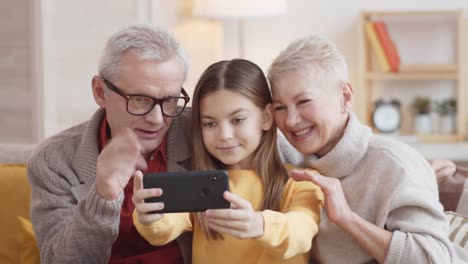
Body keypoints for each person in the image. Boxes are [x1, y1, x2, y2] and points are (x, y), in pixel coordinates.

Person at [267, 35, 457, 263]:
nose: (290, 120)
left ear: (344, 97)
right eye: (280, 107)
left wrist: (347, 219)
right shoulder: (288, 158)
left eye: (304, 102)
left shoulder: (395, 164)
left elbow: (435, 259)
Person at [27, 25, 194, 263]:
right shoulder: (53, 161)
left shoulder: (203, 132)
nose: (157, 119)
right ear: (100, 92)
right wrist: (103, 195)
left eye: (169, 100)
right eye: (139, 100)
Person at [132, 59, 324, 264]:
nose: (224, 135)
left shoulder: (302, 181)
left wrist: (260, 224)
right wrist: (149, 217)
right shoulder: (199, 186)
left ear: (266, 117)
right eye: (210, 123)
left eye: (237, 120)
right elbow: (165, 227)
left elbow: (302, 231)